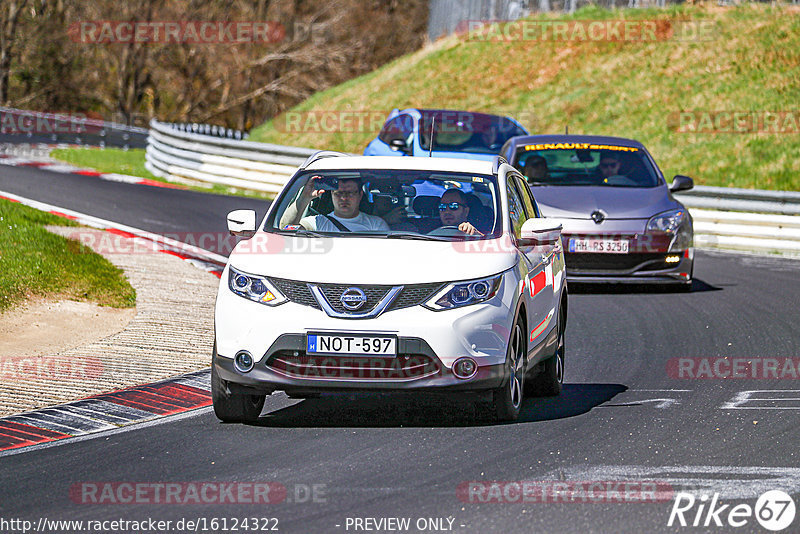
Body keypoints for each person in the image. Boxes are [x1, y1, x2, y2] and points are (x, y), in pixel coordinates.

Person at [280, 176, 390, 232]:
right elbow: (286, 228)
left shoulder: (376, 225)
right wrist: (304, 197)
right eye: (338, 193)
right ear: (331, 194)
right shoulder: (317, 222)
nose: (343, 198)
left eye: (350, 193)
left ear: (360, 195)